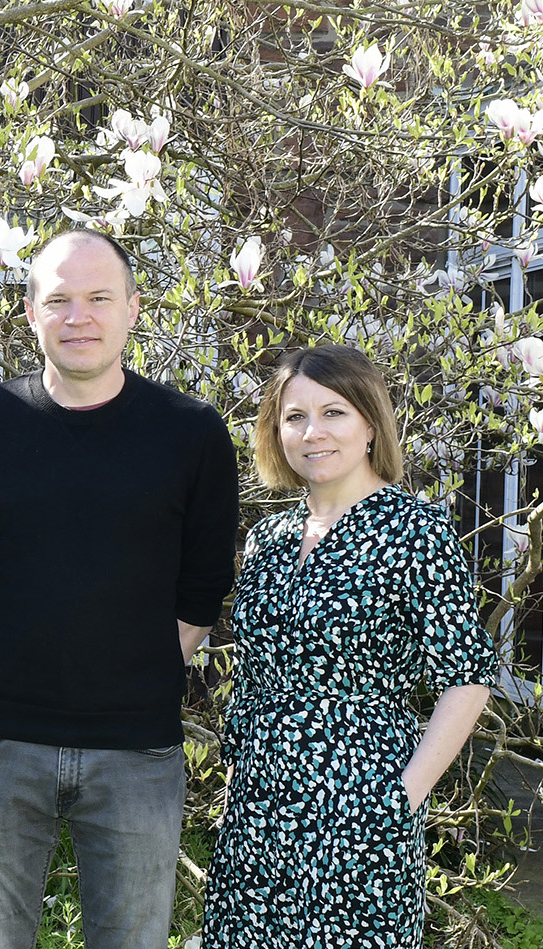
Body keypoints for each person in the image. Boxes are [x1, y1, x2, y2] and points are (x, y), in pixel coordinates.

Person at [0, 229, 239, 948]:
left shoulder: (192, 432)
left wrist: (131, 666)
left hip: (137, 749)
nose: (81, 317)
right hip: (1, 740)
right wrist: (18, 653)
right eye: (61, 299)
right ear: (31, 312)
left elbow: (203, 586)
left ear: (134, 308)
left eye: (100, 297)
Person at [203, 345, 493, 947]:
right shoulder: (269, 540)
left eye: (333, 413)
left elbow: (467, 677)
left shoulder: (416, 531)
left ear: (369, 423)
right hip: (257, 812)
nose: (313, 433)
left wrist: (403, 798)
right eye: (294, 417)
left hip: (361, 812)